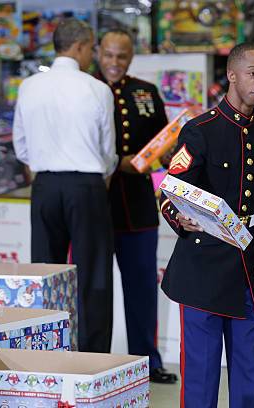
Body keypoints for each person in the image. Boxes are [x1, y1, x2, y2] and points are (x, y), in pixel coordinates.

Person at [159, 43, 254, 408]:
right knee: (200, 378)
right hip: (203, 267)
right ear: (231, 75)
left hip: (250, 268)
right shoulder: (200, 130)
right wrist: (178, 217)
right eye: (252, 73)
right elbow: (170, 192)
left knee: (249, 374)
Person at [12, 18, 117, 353]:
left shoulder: (29, 87)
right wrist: (103, 171)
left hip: (44, 185)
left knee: (46, 272)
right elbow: (108, 152)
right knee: (94, 276)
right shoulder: (97, 89)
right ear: (80, 46)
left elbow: (21, 147)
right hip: (86, 186)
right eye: (91, 48)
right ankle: (92, 357)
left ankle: (47, 352)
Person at [96, 29, 177, 384]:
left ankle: (147, 360)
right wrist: (118, 163)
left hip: (139, 205)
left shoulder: (146, 92)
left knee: (143, 288)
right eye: (109, 55)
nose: (115, 63)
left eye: (122, 56)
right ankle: (92, 360)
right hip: (96, 205)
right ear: (98, 52)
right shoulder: (86, 89)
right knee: (95, 289)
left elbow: (162, 141)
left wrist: (172, 154)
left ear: (131, 56)